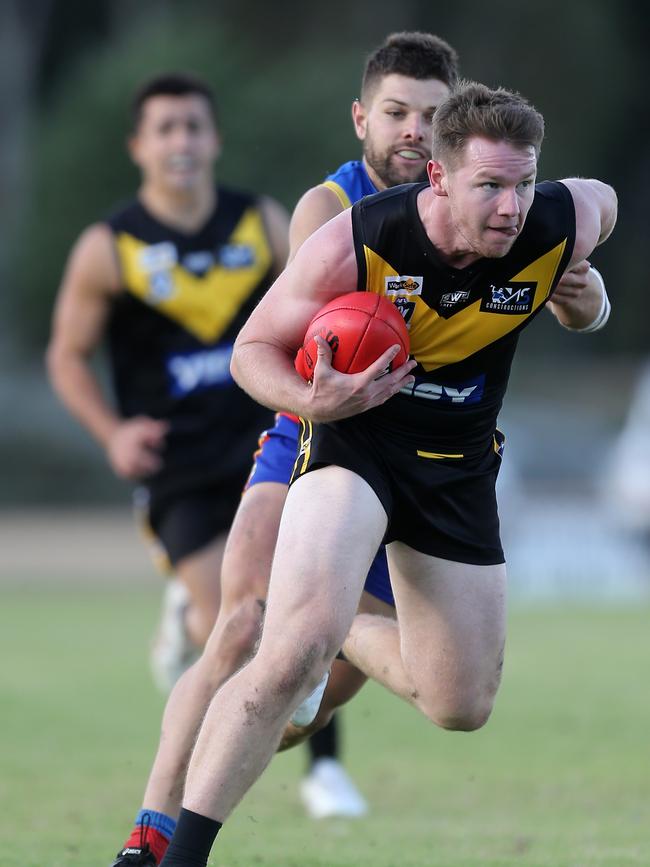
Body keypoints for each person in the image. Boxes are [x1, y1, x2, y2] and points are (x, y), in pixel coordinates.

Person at [153, 80, 617, 866]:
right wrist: (313, 398)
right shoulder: (358, 240)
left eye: (524, 182)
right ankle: (172, 852)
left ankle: (343, 628)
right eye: (490, 186)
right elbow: (249, 351)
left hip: (459, 469)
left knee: (461, 703)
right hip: (355, 445)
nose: (512, 206)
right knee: (293, 652)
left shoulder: (563, 220)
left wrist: (590, 300)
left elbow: (595, 214)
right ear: (439, 177)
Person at [104, 32, 462, 867]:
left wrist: (574, 297)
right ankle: (148, 839)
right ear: (360, 119)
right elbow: (307, 339)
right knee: (242, 629)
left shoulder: (479, 209)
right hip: (313, 437)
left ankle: (307, 697)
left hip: (420, 468)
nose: (413, 129)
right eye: (396, 112)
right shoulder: (325, 211)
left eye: (431, 116)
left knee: (299, 711)